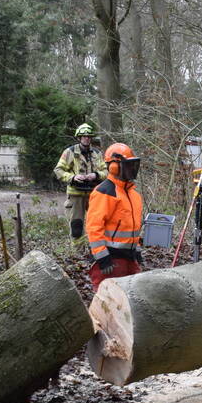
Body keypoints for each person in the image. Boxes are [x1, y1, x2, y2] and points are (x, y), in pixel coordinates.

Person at [86, 143, 144, 292]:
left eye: (133, 165)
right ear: (114, 167)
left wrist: (136, 250)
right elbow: (94, 227)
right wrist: (102, 257)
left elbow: (132, 227)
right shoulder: (104, 192)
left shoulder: (134, 195)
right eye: (128, 165)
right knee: (108, 304)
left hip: (129, 257)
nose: (132, 169)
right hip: (110, 259)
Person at [53, 123, 107, 238]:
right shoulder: (70, 152)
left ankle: (95, 250)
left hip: (94, 195)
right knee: (76, 227)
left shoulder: (97, 154)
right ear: (79, 137)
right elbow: (58, 170)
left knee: (97, 225)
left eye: (89, 136)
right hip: (76, 195)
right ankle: (77, 253)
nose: (87, 138)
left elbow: (106, 172)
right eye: (84, 136)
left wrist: (96, 175)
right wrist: (73, 177)